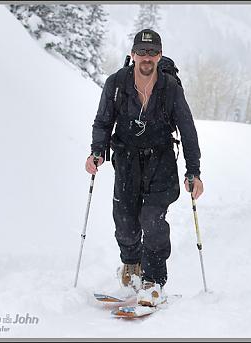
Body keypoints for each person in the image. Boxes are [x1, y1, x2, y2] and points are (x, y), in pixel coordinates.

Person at [85, 29, 203, 307]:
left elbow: (188, 130)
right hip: (126, 162)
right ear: (132, 54)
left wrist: (193, 171)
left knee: (152, 220)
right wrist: (97, 152)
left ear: (159, 55)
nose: (146, 57)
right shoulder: (116, 83)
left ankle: (153, 280)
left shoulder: (170, 89)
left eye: (152, 52)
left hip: (160, 163)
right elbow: (103, 121)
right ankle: (131, 265)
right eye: (141, 52)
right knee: (124, 223)